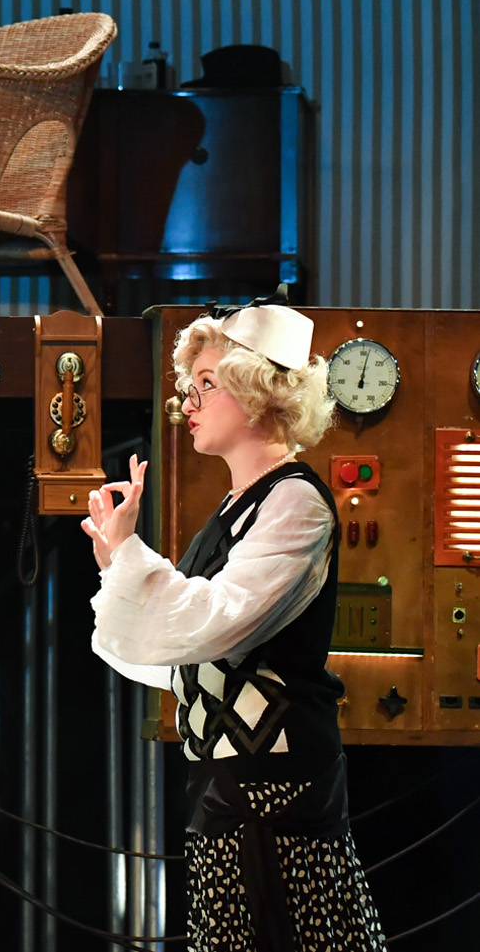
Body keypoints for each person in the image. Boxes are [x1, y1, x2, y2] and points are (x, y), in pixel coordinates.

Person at [83, 301, 385, 951]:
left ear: (256, 391)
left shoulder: (295, 502)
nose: (187, 402)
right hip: (227, 793)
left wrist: (132, 561)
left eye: (206, 384)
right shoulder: (233, 510)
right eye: (188, 386)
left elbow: (216, 622)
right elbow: (185, 654)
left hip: (276, 795)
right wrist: (118, 564)